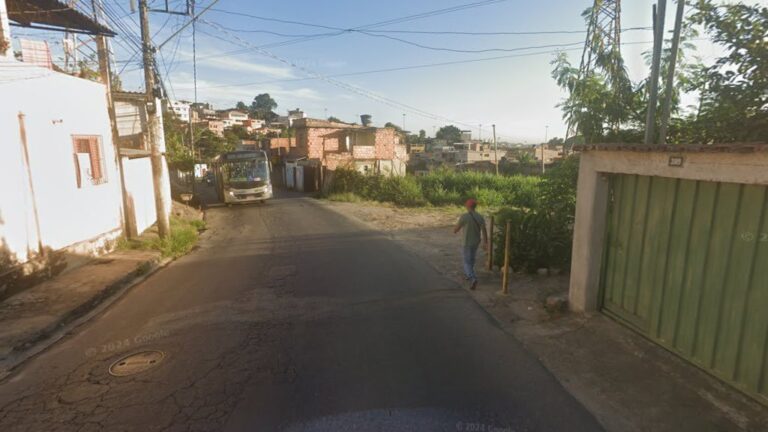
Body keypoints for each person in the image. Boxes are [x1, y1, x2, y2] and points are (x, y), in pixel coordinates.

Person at [453, 198, 488, 290]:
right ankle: (469, 275)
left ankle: (473, 278)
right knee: (471, 259)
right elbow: (484, 230)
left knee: (466, 261)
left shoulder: (464, 217)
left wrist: (455, 229)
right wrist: (485, 242)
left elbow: (456, 230)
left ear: (467, 206)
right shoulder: (480, 216)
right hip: (476, 242)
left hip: (467, 242)